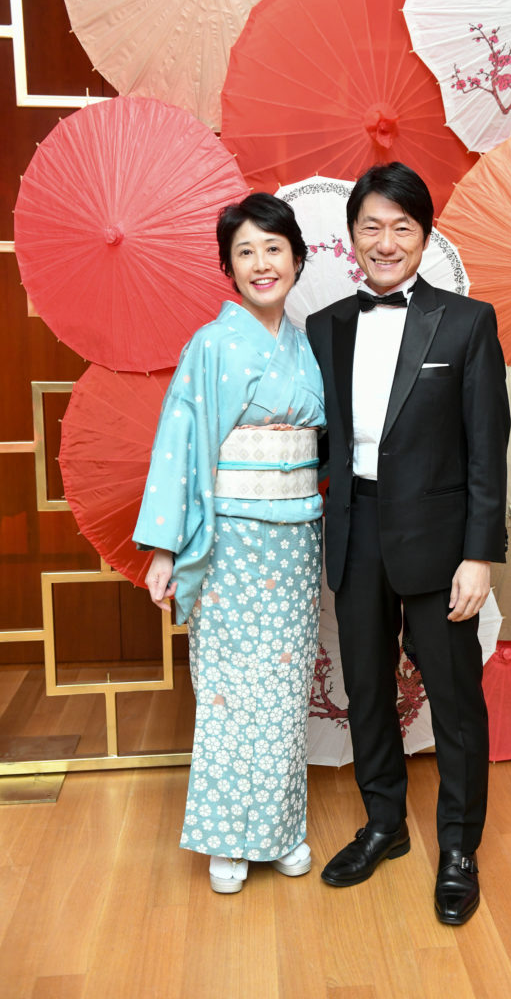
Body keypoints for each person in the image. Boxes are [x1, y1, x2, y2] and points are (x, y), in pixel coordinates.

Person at [306, 162, 510, 925]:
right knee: (366, 689)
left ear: (424, 237)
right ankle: (384, 824)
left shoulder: (465, 322)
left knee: (455, 703)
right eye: (372, 226)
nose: (385, 242)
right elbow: (320, 434)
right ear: (351, 235)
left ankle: (458, 848)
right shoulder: (323, 326)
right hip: (354, 530)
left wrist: (479, 554)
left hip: (440, 541)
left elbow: (486, 446)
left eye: (403, 227)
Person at [133, 194, 325, 895]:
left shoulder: (305, 345)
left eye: (273, 248)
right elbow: (180, 443)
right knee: (227, 690)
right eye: (244, 252)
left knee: (280, 689)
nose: (260, 263)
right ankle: (227, 837)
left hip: (298, 538)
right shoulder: (212, 344)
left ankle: (277, 832)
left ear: (297, 259)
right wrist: (163, 548)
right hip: (234, 540)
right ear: (228, 268)